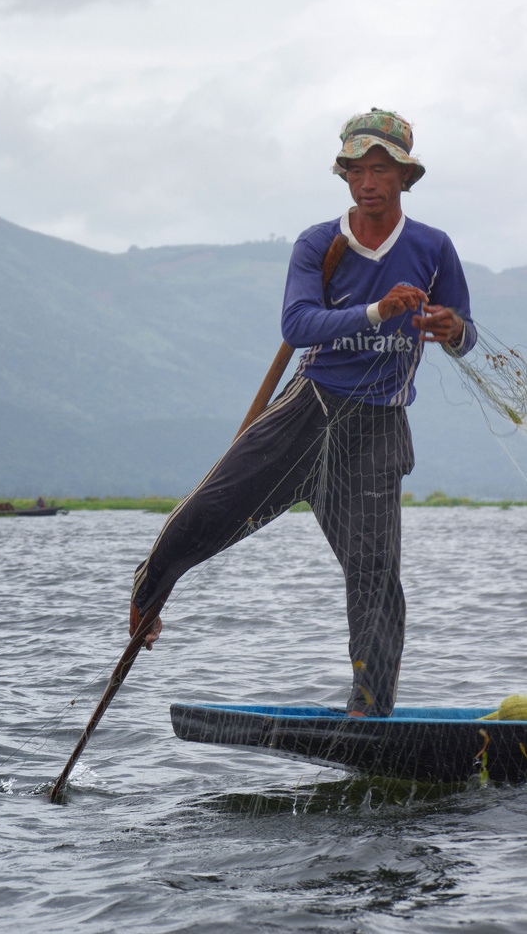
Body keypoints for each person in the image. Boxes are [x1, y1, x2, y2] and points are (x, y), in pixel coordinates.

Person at [129, 108, 476, 718]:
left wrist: (451, 329)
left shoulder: (433, 247)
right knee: (211, 510)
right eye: (356, 170)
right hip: (308, 409)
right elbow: (297, 324)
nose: (368, 182)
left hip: (378, 428)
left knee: (376, 573)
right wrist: (375, 312)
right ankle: (147, 593)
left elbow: (464, 333)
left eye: (381, 170)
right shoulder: (321, 243)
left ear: (405, 178)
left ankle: (370, 709)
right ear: (344, 176)